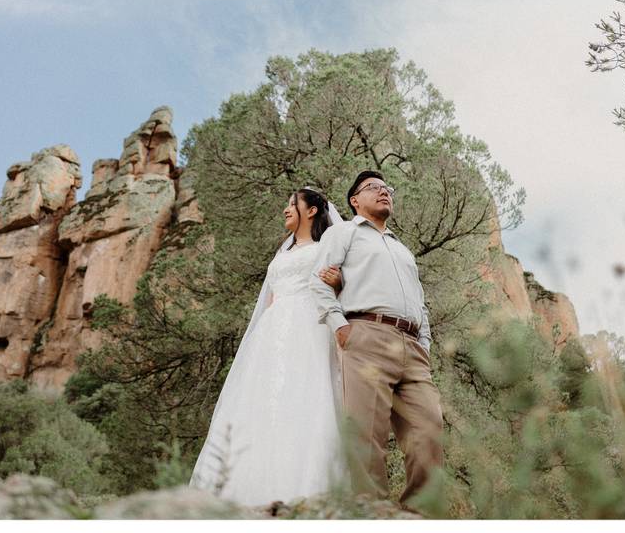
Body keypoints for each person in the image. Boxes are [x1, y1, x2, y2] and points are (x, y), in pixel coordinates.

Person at [189, 187, 348, 506]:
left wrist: (337, 283)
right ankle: (245, 491)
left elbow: (339, 285)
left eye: (293, 204)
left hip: (308, 326)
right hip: (272, 330)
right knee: (261, 400)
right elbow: (273, 292)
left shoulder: (324, 247)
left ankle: (304, 491)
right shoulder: (284, 252)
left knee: (304, 396)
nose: (286, 209)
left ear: (312, 210)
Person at [308, 170, 444, 509]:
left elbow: (420, 300)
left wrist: (424, 342)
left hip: (412, 346)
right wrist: (341, 327)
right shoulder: (343, 233)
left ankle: (419, 514)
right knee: (367, 435)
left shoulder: (403, 250)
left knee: (429, 430)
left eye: (387, 189)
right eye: (373, 188)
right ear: (355, 200)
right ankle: (373, 513)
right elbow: (318, 281)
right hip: (366, 335)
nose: (384, 193)